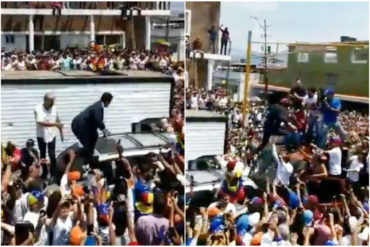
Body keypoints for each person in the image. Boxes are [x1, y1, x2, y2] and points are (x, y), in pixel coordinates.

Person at [71, 92, 113, 167]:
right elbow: (97, 119)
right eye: (109, 102)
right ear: (107, 101)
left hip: (83, 126)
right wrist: (104, 130)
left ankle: (89, 156)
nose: (109, 104)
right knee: (88, 145)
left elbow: (98, 120)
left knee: (94, 136)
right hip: (80, 126)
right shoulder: (98, 107)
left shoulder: (98, 105)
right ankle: (87, 162)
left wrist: (104, 130)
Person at [34, 93, 63, 181]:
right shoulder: (38, 109)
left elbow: (58, 120)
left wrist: (61, 132)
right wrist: (55, 124)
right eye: (51, 102)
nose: (52, 104)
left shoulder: (54, 108)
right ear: (45, 101)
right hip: (41, 135)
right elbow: (40, 122)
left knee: (52, 154)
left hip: (52, 134)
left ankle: (53, 173)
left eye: (53, 102)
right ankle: (45, 173)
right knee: (43, 154)